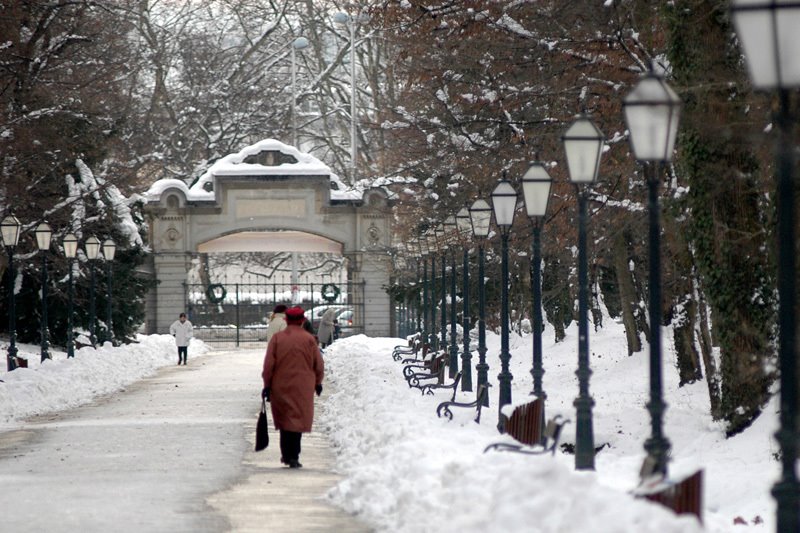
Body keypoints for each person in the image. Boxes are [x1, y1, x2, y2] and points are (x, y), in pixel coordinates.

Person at [262, 306, 324, 469]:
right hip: (303, 385)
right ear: (302, 320)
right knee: (297, 418)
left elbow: (269, 365)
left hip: (280, 384)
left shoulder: (277, 339)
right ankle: (294, 455)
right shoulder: (309, 340)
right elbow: (318, 364)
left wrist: (267, 385)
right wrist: (318, 382)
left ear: (286, 320)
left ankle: (286, 454)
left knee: (285, 419)